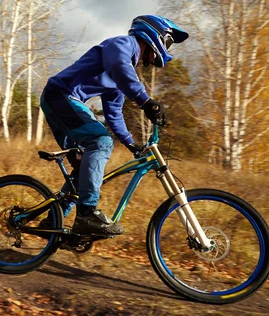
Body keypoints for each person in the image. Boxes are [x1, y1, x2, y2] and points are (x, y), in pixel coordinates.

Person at [39, 15, 189, 235]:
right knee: (101, 141)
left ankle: (53, 219)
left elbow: (114, 113)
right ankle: (87, 214)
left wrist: (131, 144)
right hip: (61, 95)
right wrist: (145, 101)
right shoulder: (121, 45)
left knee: (83, 168)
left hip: (63, 102)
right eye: (167, 42)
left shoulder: (121, 75)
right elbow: (119, 66)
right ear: (155, 35)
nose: (152, 60)